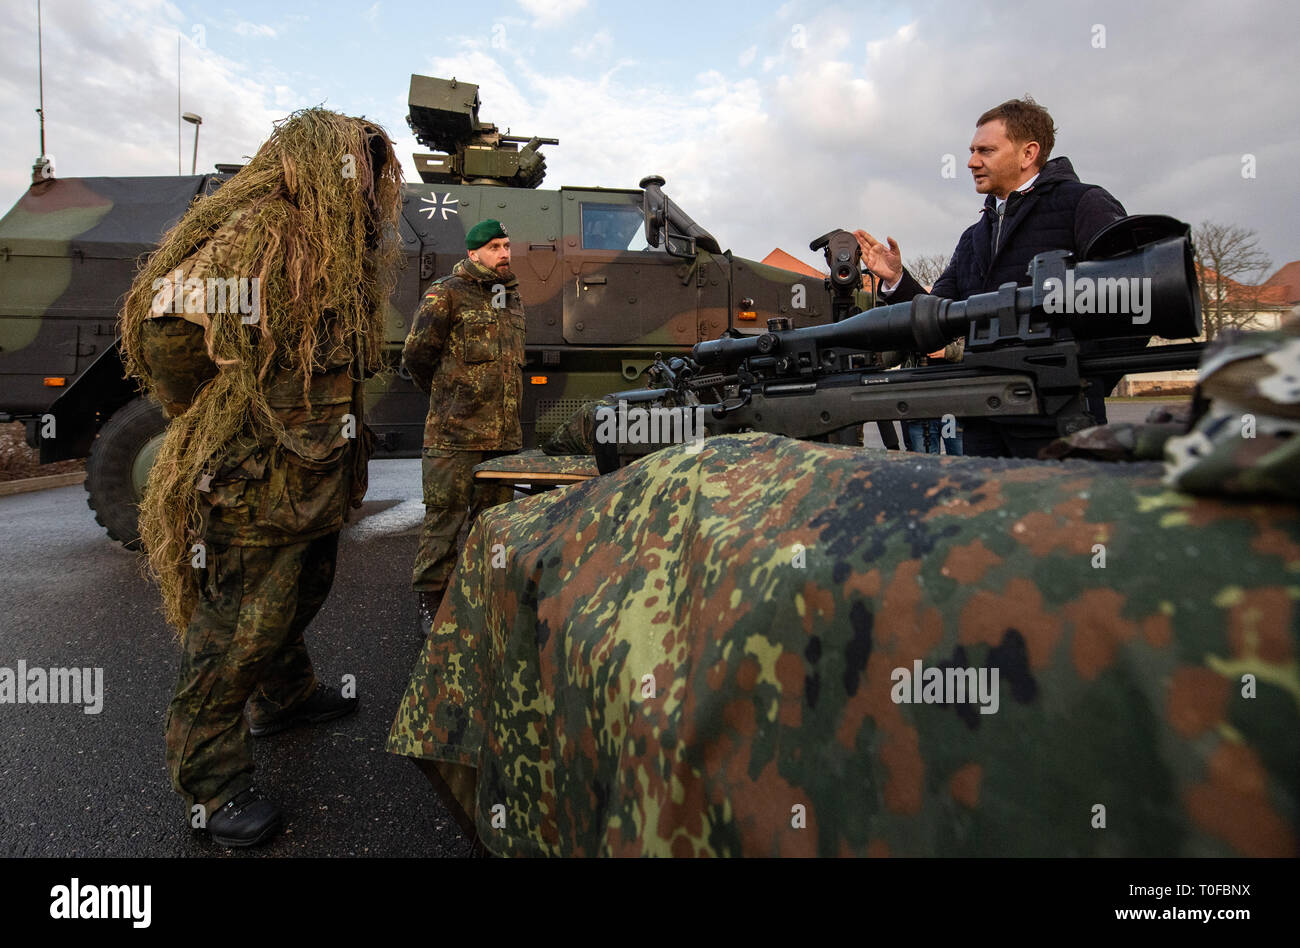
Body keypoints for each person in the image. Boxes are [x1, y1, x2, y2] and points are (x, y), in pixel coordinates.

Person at [119, 109, 403, 848]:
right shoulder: (259, 228)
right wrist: (213, 416)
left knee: (302, 590)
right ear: (313, 162)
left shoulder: (332, 244)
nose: (368, 180)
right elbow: (168, 332)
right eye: (357, 164)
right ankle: (210, 784)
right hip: (255, 480)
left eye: (373, 166)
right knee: (239, 628)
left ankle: (286, 696)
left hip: (311, 474)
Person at [856, 96, 1128, 457]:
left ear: (1028, 153)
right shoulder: (974, 236)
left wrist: (1083, 383)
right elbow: (938, 318)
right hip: (985, 422)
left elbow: (1134, 299)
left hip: (1061, 425)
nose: (970, 162)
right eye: (971, 151)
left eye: (985, 150)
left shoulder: (1083, 205)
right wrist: (896, 279)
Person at [404, 219, 526, 632]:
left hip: (503, 435)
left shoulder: (510, 297)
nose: (505, 253)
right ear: (474, 253)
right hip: (454, 433)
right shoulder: (446, 293)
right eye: (495, 246)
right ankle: (431, 602)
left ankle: (483, 594)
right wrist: (448, 398)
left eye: (507, 245)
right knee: (443, 520)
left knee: (494, 523)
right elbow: (418, 356)